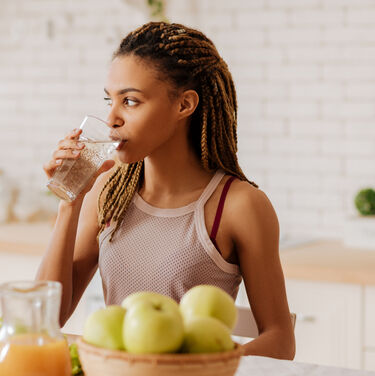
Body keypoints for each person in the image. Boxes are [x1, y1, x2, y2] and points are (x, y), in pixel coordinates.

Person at [37, 21, 295, 360]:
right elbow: (44, 320)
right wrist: (69, 202)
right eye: (109, 100)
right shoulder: (106, 191)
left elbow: (279, 339)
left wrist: (202, 369)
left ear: (184, 105)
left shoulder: (238, 205)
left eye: (130, 101)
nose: (111, 117)